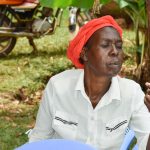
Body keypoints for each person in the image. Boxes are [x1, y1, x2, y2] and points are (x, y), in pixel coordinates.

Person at [28, 15, 150, 150]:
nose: (115, 52)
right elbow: (39, 139)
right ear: (85, 53)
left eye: (119, 46)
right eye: (105, 45)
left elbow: (146, 142)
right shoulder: (58, 86)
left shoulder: (131, 92)